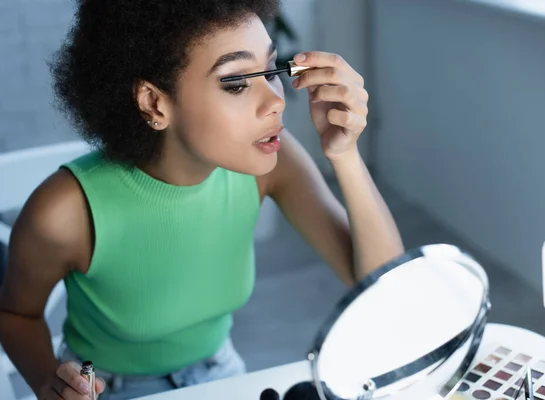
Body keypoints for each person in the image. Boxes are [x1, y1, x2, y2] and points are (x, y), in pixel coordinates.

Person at [0, 0, 405, 399]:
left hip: (223, 373)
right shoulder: (65, 212)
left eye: (271, 70)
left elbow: (383, 289)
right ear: (154, 103)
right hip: (105, 390)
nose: (276, 101)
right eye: (236, 83)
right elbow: (16, 315)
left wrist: (344, 154)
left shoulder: (274, 165)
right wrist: (48, 382)